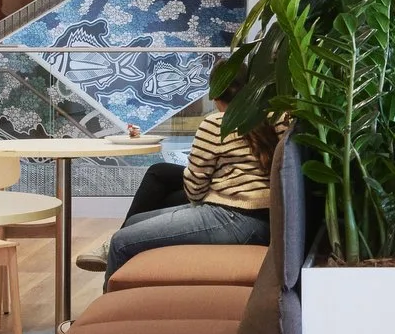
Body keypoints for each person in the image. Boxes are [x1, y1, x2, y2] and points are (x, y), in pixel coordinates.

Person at [95, 100, 273, 277]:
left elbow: (195, 191)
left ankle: (114, 284)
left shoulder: (218, 122)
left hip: (236, 217)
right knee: (138, 213)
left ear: (216, 96)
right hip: (257, 216)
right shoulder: (274, 117)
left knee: (120, 242)